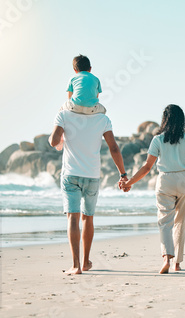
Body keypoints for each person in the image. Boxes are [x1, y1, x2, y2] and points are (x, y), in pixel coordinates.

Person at [120, 104, 185, 274]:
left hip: (165, 180)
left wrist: (130, 183)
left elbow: (146, 167)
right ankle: (177, 263)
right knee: (181, 221)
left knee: (165, 221)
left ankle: (166, 257)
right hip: (183, 180)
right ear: (182, 120)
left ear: (164, 119)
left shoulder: (158, 139)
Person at [49, 108, 127, 275]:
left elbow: (54, 142)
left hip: (71, 175)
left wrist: (59, 136)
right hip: (92, 175)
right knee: (88, 217)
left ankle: (75, 265)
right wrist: (123, 174)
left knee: (73, 216)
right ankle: (85, 262)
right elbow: (113, 148)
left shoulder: (63, 114)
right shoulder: (103, 119)